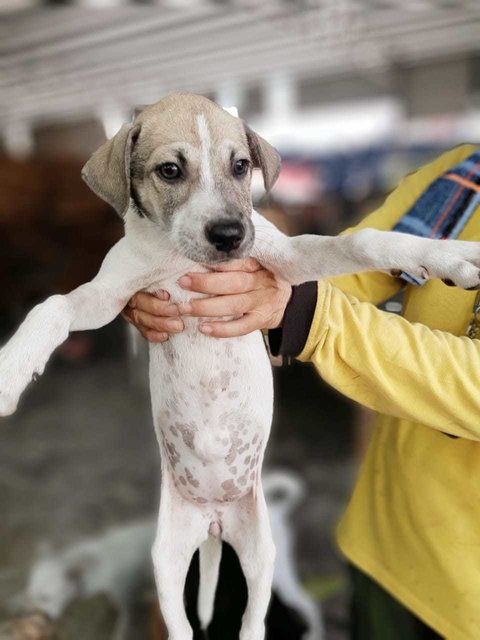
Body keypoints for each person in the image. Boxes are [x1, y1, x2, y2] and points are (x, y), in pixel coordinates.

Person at [123, 144, 480, 640]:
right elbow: (355, 268)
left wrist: (303, 313)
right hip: (385, 543)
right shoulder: (466, 172)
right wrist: (205, 292)